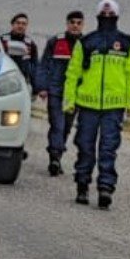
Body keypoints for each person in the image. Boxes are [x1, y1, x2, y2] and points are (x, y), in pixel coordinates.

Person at [65, 0, 130, 209]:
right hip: (87, 105)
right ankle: (82, 184)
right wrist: (69, 101)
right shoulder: (86, 42)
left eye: (111, 15)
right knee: (85, 146)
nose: (107, 17)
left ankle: (105, 188)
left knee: (108, 149)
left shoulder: (127, 43)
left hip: (113, 107)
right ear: (98, 16)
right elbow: (73, 73)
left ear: (116, 16)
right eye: (104, 15)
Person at [37, 10, 83, 176]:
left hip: (75, 95)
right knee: (58, 124)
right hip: (56, 91)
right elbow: (43, 65)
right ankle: (55, 156)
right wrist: (42, 87)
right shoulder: (55, 42)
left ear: (82, 25)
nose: (75, 26)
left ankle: (56, 156)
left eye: (78, 23)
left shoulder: (86, 44)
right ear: (67, 24)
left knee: (67, 127)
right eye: (72, 22)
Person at [3, 12, 39, 90]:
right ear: (12, 24)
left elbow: (35, 67)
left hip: (22, 82)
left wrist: (36, 87)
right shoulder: (2, 41)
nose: (20, 26)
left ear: (26, 26)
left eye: (23, 24)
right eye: (18, 23)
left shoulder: (30, 44)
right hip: (3, 81)